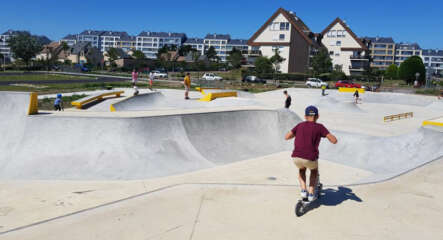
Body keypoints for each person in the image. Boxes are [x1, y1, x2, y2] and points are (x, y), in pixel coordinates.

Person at [285, 106, 337, 201]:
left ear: (305, 116)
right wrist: (331, 137)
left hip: (296, 157)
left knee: (302, 170)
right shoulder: (320, 127)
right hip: (310, 157)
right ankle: (311, 192)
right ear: (317, 116)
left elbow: (287, 137)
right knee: (314, 171)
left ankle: (304, 190)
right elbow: (334, 140)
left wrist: (296, 134)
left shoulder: (299, 125)